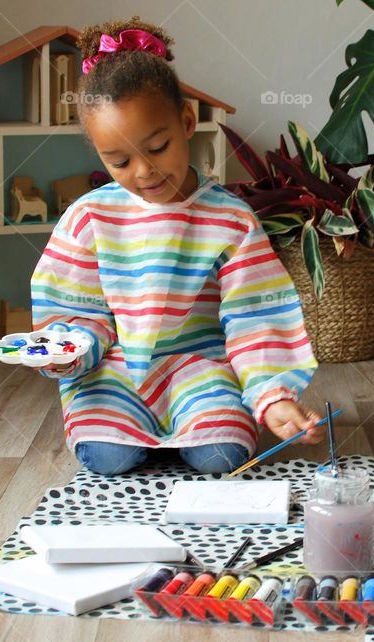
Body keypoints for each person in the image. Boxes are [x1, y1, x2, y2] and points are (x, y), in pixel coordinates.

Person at [30, 17, 322, 475]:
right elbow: (73, 309)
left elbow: (255, 316)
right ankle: (137, 433)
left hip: (201, 369)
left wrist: (272, 397)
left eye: (158, 146)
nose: (144, 171)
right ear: (100, 156)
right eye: (120, 161)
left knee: (221, 457)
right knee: (107, 457)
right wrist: (67, 350)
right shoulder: (89, 218)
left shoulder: (231, 220)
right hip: (115, 370)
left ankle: (188, 433)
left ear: (187, 121)